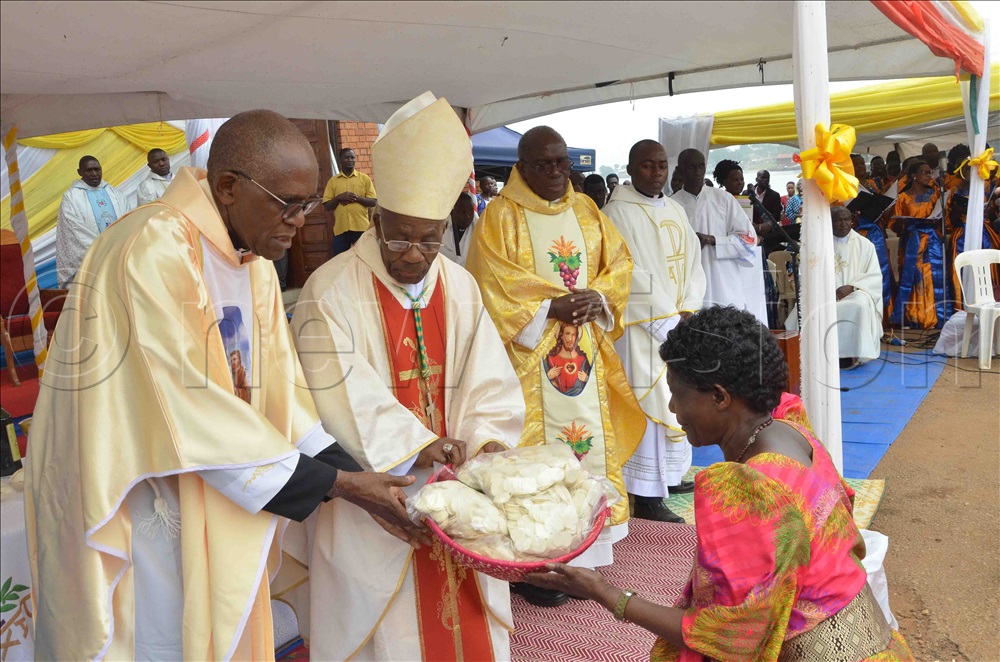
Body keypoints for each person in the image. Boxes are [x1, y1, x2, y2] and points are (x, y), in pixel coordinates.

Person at [26, 110, 423, 660]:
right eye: (288, 204)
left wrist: (361, 480)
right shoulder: (153, 248)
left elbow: (282, 391)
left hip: (226, 481)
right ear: (229, 187)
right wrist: (341, 486)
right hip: (147, 491)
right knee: (162, 634)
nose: (299, 221)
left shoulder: (253, 257)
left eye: (308, 205)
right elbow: (186, 408)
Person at [524, 306, 913, 661]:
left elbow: (727, 638)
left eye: (677, 394)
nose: (674, 409)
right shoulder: (792, 430)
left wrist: (603, 591)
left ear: (720, 397)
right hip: (870, 640)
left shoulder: (749, 488)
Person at [292, 92, 523, 660]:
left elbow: (487, 377)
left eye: (429, 237)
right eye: (400, 236)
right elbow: (335, 388)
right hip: (376, 493)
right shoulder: (331, 288)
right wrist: (417, 446)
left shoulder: (460, 284)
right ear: (375, 219)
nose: (416, 255)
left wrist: (486, 441)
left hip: (459, 486)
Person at [465, 126, 645, 603]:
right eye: (542, 164)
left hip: (583, 354)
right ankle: (536, 569)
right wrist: (551, 308)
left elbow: (619, 263)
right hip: (528, 362)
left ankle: (585, 559)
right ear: (520, 168)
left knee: (585, 448)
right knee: (534, 461)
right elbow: (490, 284)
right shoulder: (499, 218)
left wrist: (598, 296)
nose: (554, 172)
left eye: (561, 162)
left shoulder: (585, 209)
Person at [602, 139, 705, 524]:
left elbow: (692, 260)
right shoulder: (615, 214)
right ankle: (644, 494)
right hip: (642, 327)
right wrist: (667, 319)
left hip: (678, 318)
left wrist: (690, 308)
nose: (656, 172)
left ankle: (670, 475)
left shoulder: (676, 208)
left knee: (677, 394)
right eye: (647, 166)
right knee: (649, 398)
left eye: (662, 165)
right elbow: (624, 272)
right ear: (630, 169)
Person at [674, 151, 761, 320]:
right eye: (691, 167)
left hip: (724, 282)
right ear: (679, 170)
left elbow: (749, 238)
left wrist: (714, 240)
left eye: (701, 166)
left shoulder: (724, 199)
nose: (697, 171)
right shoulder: (672, 204)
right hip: (688, 287)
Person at [55, 155, 131, 287]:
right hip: (93, 257)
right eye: (89, 170)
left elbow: (128, 219)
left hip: (119, 254)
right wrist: (102, 248)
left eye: (97, 169)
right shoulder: (72, 197)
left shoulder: (115, 194)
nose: (94, 174)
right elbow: (73, 230)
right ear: (80, 172)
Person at [889, 160, 948, 329]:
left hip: (932, 240)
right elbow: (894, 224)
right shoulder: (903, 197)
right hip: (912, 241)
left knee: (933, 276)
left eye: (930, 172)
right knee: (914, 277)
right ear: (914, 175)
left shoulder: (935, 193)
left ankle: (935, 315)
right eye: (925, 172)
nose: (929, 176)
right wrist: (905, 223)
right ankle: (915, 315)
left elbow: (944, 218)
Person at [945, 144, 1000, 309]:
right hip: (963, 233)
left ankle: (992, 301)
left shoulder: (987, 187)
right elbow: (949, 219)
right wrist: (958, 209)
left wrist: (991, 206)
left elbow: (992, 214)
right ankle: (964, 305)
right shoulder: (955, 191)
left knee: (990, 264)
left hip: (985, 231)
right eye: (968, 170)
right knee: (965, 266)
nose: (971, 173)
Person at [831, 207, 884, 368]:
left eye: (847, 219)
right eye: (838, 220)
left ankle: (851, 354)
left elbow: (874, 275)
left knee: (858, 305)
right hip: (827, 293)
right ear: (831, 222)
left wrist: (852, 286)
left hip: (856, 291)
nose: (843, 224)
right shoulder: (821, 243)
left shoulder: (865, 245)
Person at [323, 147, 377, 255]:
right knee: (340, 261)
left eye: (352, 157)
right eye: (346, 158)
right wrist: (339, 197)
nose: (350, 160)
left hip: (361, 228)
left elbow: (373, 202)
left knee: (365, 258)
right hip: (341, 229)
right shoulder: (333, 181)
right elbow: (327, 206)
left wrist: (355, 198)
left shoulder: (364, 178)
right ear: (340, 160)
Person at [440, 190, 478, 266]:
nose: (467, 216)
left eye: (470, 213)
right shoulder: (444, 229)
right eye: (462, 212)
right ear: (453, 212)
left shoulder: (478, 230)